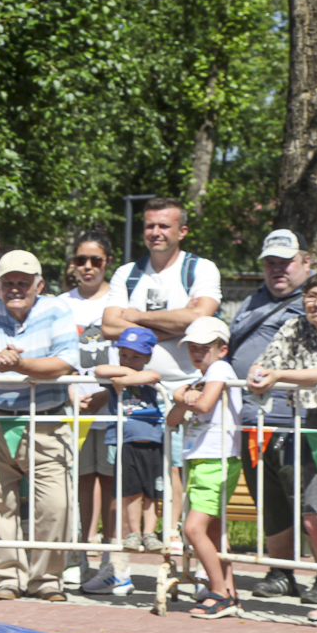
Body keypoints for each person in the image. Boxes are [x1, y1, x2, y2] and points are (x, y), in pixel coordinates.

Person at [0, 249, 80, 601]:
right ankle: (6, 578)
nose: (15, 288)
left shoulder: (56, 308)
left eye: (23, 283)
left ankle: (46, 581)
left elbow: (65, 363)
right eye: (7, 281)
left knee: (55, 504)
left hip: (46, 419)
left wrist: (17, 365)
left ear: (38, 285)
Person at [101, 197, 222, 540]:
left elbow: (202, 318)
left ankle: (188, 559)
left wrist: (136, 319)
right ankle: (122, 568)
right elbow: (109, 326)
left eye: (164, 226)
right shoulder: (128, 273)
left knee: (184, 480)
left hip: (188, 395)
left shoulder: (200, 269)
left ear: (182, 231)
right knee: (131, 483)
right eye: (149, 226)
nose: (156, 232)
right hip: (137, 400)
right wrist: (176, 324)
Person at [246, 269, 317, 625]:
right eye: (312, 296)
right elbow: (267, 364)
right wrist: (259, 375)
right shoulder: (293, 327)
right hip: (311, 423)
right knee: (316, 519)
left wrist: (280, 376)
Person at [228, 229, 317, 602]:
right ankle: (282, 571)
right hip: (252, 420)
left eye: (285, 262)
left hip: (300, 420)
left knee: (314, 502)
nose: (277, 270)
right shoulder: (252, 301)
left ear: (306, 263)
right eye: (270, 263)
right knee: (271, 501)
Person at [165, 317, 243, 618]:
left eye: (204, 348)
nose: (197, 353)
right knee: (215, 532)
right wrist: (182, 396)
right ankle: (230, 592)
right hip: (203, 457)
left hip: (217, 458)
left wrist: (185, 397)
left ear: (221, 350)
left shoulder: (220, 369)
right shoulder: (201, 376)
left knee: (194, 528)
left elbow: (204, 405)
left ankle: (218, 591)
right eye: (193, 348)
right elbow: (172, 418)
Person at [80, 328, 165, 596]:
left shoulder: (146, 375)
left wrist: (127, 379)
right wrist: (125, 376)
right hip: (124, 440)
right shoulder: (116, 372)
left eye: (136, 356)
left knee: (151, 492)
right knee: (129, 492)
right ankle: (133, 533)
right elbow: (100, 370)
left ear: (148, 356)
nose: (128, 360)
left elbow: (153, 376)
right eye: (124, 355)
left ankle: (149, 532)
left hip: (151, 439)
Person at [62, 229, 115, 588]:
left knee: (111, 481)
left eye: (95, 260)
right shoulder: (60, 303)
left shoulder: (119, 300)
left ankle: (110, 559)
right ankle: (78, 552)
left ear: (106, 262)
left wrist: (104, 393)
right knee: (78, 479)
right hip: (73, 403)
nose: (88, 267)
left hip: (111, 402)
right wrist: (70, 392)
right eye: (81, 260)